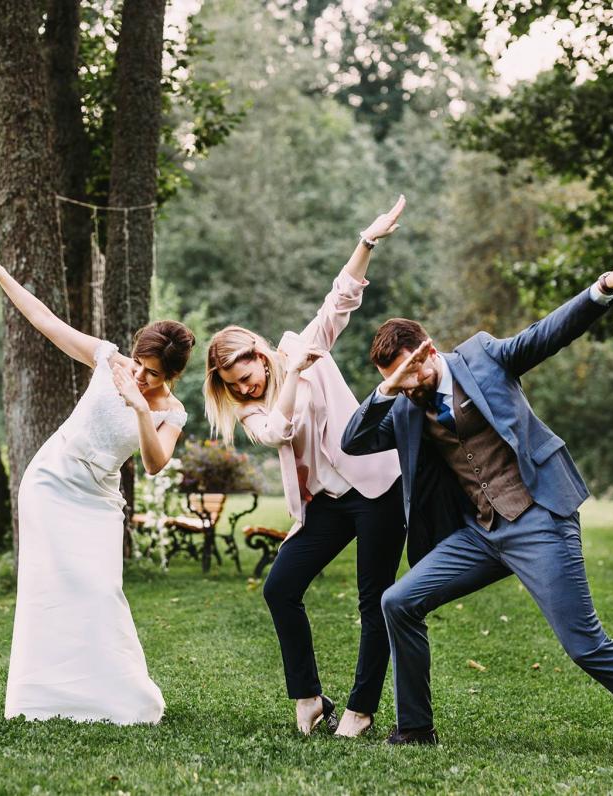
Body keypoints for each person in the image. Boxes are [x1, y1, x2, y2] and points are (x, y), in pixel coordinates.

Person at [340, 243, 613, 766]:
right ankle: (415, 728)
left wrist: (601, 290)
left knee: (585, 644)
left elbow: (546, 334)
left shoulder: (482, 357)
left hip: (538, 517)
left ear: (428, 352)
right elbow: (354, 441)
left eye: (410, 374)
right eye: (395, 381)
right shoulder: (403, 405)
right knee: (397, 601)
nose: (407, 387)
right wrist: (387, 391)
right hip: (480, 532)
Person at [0, 233, 193, 725]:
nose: (141, 376)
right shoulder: (109, 360)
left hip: (98, 495)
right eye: (140, 365)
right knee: (49, 585)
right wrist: (1, 273)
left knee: (100, 589)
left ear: (172, 375)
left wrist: (140, 408)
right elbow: (46, 321)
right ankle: (41, 698)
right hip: (52, 479)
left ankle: (113, 696)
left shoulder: (172, 411)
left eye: (153, 373)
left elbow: (154, 463)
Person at [203, 199, 410, 738]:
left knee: (375, 600)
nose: (245, 386)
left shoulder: (302, 346)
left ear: (258, 352)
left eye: (246, 373)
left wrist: (366, 241)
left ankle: (361, 710)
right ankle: (309, 698)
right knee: (280, 587)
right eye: (233, 384)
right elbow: (279, 430)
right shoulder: (250, 409)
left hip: (377, 487)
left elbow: (339, 302)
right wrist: (292, 376)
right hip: (325, 504)